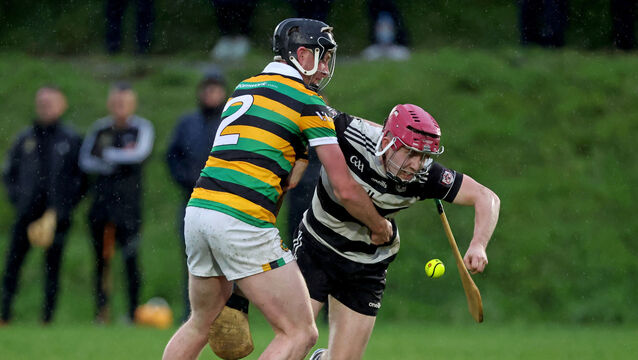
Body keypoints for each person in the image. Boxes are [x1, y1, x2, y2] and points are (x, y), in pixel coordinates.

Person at [162, 18, 392, 360]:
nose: (326, 66)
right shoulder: (306, 100)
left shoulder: (245, 87)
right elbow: (343, 187)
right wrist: (378, 226)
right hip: (241, 219)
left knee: (200, 321)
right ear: (301, 53)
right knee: (300, 332)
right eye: (322, 56)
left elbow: (286, 177)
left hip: (199, 211)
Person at [295, 104, 501, 360]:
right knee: (298, 340)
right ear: (390, 141)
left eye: (424, 156)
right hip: (318, 246)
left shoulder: (426, 175)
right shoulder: (351, 134)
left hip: (367, 264)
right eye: (411, 153)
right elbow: (307, 109)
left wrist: (478, 243)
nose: (417, 165)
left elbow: (486, 197)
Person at [1, 86, 86, 325]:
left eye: (50, 102)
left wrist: (62, 209)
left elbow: (80, 179)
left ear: (62, 105)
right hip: (26, 214)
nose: (44, 107)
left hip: (57, 217)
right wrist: (19, 201)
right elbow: (9, 173)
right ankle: (5, 315)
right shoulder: (25, 138)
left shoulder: (71, 139)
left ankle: (47, 319)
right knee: (12, 265)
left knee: (52, 268)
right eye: (41, 102)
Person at [79, 83, 155, 323]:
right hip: (101, 205)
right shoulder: (100, 129)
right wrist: (112, 161)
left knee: (131, 259)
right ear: (109, 104)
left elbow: (139, 154)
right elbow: (85, 160)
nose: (120, 108)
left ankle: (133, 312)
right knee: (102, 260)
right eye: (116, 103)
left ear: (132, 105)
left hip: (129, 207)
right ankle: (101, 312)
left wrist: (110, 156)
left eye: (124, 103)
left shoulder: (141, 128)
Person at [166, 70, 228, 322]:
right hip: (192, 201)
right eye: (206, 88)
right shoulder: (187, 123)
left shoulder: (231, 121)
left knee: (226, 261)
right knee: (193, 261)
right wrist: (188, 181)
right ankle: (192, 313)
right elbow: (172, 157)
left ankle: (227, 314)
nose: (209, 93)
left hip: (225, 203)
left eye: (215, 88)